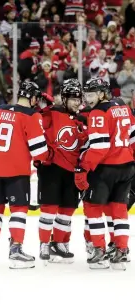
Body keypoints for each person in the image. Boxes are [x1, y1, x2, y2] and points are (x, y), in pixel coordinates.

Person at [0, 81, 53, 269]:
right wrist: (48, 155)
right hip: (17, 172)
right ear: (32, 97)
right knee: (19, 209)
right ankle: (15, 251)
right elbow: (39, 151)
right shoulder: (31, 115)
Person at [75, 78, 135, 270]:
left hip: (106, 168)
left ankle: (99, 250)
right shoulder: (123, 105)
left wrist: (83, 168)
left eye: (92, 94)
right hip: (126, 167)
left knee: (92, 207)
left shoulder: (98, 112)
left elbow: (100, 147)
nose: (88, 98)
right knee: (119, 210)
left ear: (102, 94)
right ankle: (121, 251)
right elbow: (133, 136)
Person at [37, 78, 87, 264]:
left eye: (79, 98)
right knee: (49, 210)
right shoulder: (52, 113)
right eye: (73, 98)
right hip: (52, 169)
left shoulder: (83, 118)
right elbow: (35, 123)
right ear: (64, 98)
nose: (77, 101)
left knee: (67, 210)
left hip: (73, 171)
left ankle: (58, 244)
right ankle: (43, 243)